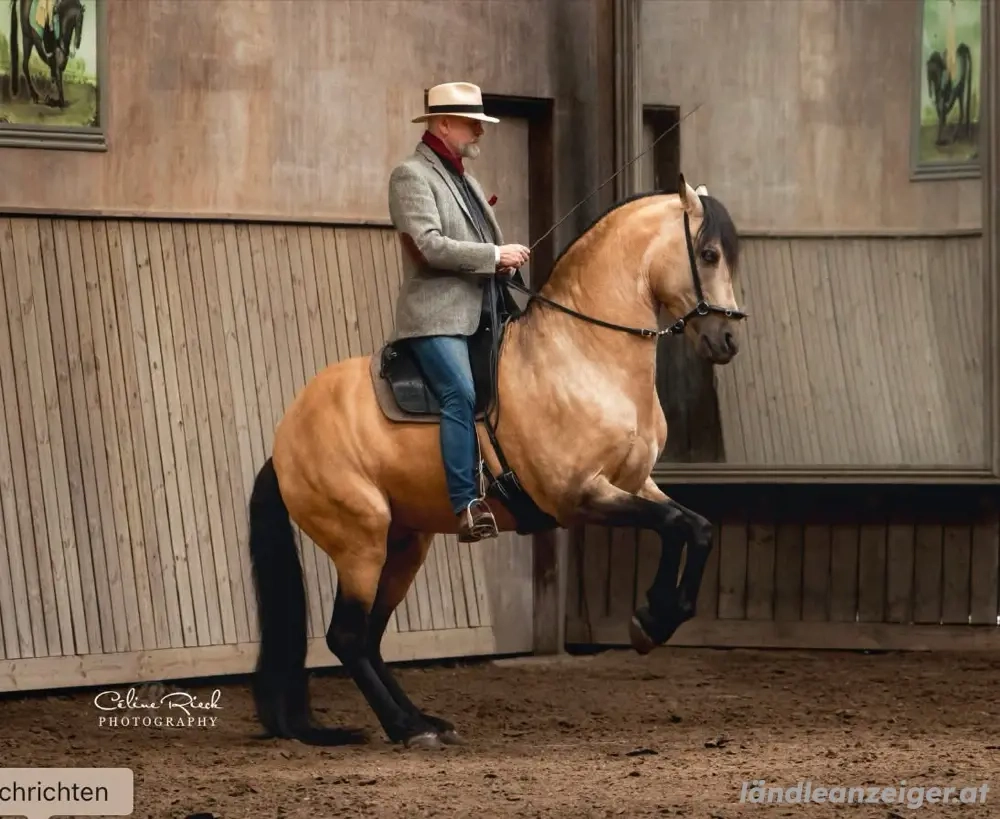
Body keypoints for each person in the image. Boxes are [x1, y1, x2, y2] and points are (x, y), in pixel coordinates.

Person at [387, 81, 530, 543]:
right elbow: (428, 246)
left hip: (485, 311)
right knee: (460, 394)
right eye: (473, 124)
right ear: (443, 124)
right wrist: (493, 256)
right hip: (436, 318)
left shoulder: (468, 181)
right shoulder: (411, 176)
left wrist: (504, 268)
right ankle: (467, 504)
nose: (479, 133)